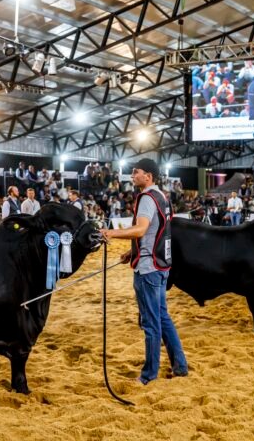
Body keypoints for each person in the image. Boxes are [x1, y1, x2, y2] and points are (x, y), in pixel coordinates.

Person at [99, 158, 188, 385]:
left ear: (148, 176)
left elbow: (140, 230)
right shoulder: (162, 197)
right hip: (159, 264)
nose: (133, 175)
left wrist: (111, 233)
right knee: (162, 316)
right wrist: (133, 252)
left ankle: (149, 375)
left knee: (150, 323)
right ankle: (180, 365)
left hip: (148, 268)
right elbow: (156, 232)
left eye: (136, 172)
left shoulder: (147, 198)